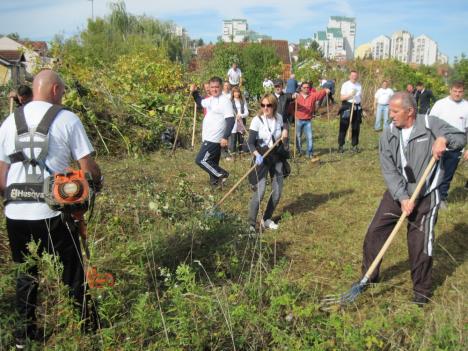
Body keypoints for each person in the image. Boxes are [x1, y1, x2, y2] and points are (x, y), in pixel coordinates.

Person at [0, 70, 102, 347]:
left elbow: (2, 173)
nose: (64, 95)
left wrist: (11, 202)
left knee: (26, 273)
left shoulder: (10, 121)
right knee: (72, 272)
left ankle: (24, 336)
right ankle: (88, 328)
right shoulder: (67, 118)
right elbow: (87, 167)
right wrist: (96, 181)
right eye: (64, 91)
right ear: (55, 89)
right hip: (53, 212)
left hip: (16, 213)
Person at [361, 92, 465, 305]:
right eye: (390, 110)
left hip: (427, 193)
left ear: (410, 111)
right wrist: (402, 197)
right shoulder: (388, 134)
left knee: (419, 242)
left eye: (395, 111)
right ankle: (369, 277)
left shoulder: (430, 124)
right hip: (398, 192)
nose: (391, 115)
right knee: (375, 231)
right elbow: (389, 169)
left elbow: (461, 138)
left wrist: (443, 139)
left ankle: (421, 291)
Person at [247, 94, 288, 232]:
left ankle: (267, 219)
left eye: (268, 105)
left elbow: (285, 125)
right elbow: (250, 143)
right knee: (261, 190)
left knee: (277, 191)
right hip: (261, 156)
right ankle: (252, 224)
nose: (265, 108)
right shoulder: (257, 120)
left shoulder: (279, 118)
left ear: (274, 106)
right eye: (263, 105)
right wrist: (257, 155)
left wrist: (285, 131)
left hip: (276, 156)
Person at [429, 81, 468, 207]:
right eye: (455, 91)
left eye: (460, 91)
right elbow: (430, 123)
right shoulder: (440, 104)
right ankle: (428, 197)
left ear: (463, 92)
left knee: (448, 174)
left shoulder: (466, 106)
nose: (457, 94)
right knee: (432, 171)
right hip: (438, 145)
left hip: (456, 148)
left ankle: (441, 198)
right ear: (450, 90)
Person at [191, 77, 235, 187]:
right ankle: (216, 185)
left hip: (214, 138)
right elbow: (200, 102)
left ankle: (222, 174)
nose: (214, 89)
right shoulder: (210, 100)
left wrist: (225, 137)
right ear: (209, 88)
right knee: (212, 163)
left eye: (217, 87)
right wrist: (194, 92)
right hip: (208, 137)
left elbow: (230, 120)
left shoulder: (225, 101)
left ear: (221, 87)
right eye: (212, 87)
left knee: (201, 160)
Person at [295, 81, 328, 161]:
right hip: (298, 119)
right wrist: (293, 97)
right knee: (298, 137)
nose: (306, 89)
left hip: (308, 120)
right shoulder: (297, 96)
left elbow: (319, 94)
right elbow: (290, 104)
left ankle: (309, 153)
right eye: (304, 87)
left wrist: (325, 90)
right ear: (301, 88)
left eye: (307, 87)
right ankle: (299, 151)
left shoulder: (312, 95)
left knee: (309, 137)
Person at [338, 70, 363, 153]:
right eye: (352, 75)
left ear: (357, 76)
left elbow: (359, 97)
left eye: (355, 76)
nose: (354, 77)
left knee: (356, 127)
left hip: (357, 107)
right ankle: (341, 146)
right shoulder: (345, 84)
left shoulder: (359, 85)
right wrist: (350, 95)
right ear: (349, 76)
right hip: (347, 106)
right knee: (344, 126)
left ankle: (354, 146)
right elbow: (341, 98)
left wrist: (360, 107)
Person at [228, 86, 249, 158]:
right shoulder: (230, 102)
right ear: (233, 93)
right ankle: (233, 155)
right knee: (233, 138)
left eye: (238, 92)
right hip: (233, 122)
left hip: (241, 121)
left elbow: (247, 112)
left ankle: (241, 153)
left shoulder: (243, 101)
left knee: (241, 138)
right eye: (235, 92)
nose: (236, 94)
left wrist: (241, 116)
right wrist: (234, 116)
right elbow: (228, 112)